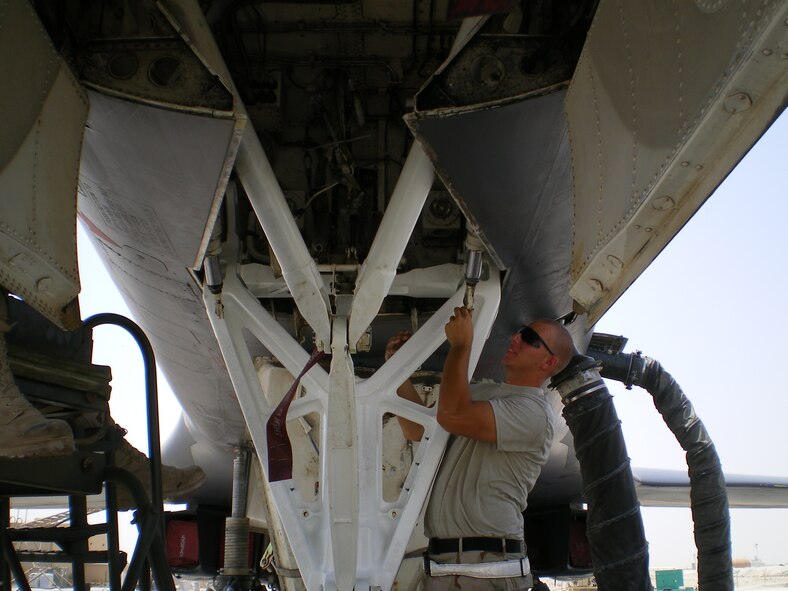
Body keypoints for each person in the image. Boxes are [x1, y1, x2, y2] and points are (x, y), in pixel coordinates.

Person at [386, 307, 574, 591]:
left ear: (549, 362)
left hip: (488, 567)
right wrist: (398, 369)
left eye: (531, 338)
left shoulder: (535, 414)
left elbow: (452, 415)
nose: (516, 338)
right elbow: (418, 431)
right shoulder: (482, 394)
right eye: (521, 332)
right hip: (447, 565)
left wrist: (462, 346)